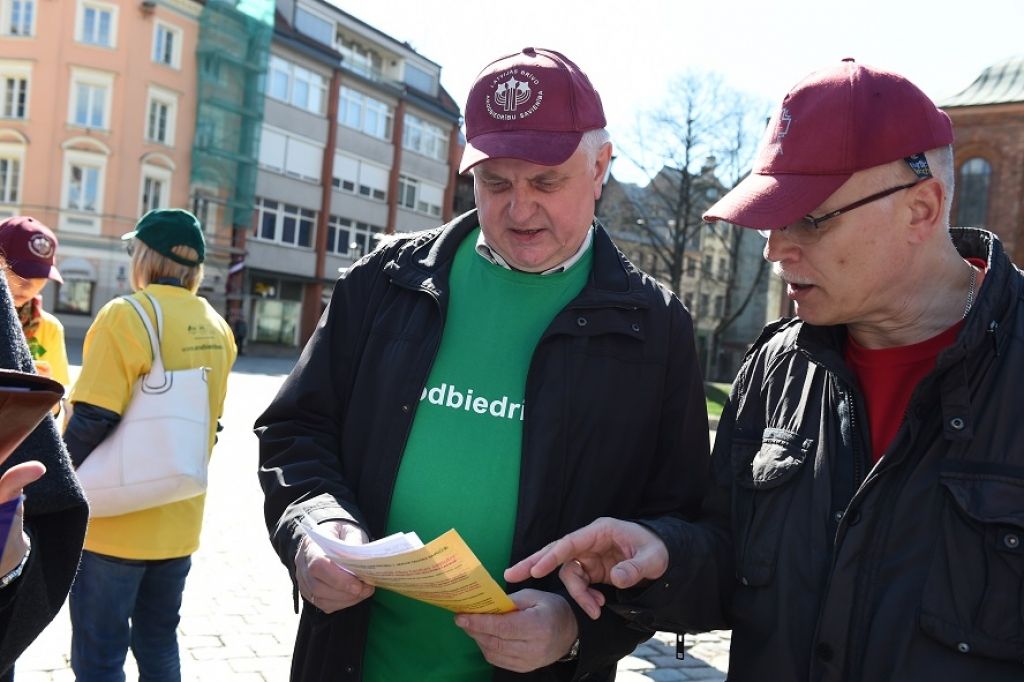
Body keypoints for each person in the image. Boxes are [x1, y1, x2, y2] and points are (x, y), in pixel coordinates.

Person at [507, 59, 1024, 681]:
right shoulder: (778, 365)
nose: (777, 250)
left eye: (810, 217)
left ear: (920, 209)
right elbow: (733, 560)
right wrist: (664, 555)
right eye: (771, 220)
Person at [255, 47, 710, 681]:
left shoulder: (654, 328)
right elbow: (295, 432)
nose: (520, 209)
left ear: (601, 165)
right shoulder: (383, 283)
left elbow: (683, 528)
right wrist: (313, 525)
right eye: (496, 182)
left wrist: (578, 630)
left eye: (546, 181)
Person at [64, 209, 236, 681]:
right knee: (159, 643)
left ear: (144, 255)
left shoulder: (127, 314)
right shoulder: (218, 327)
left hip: (114, 522)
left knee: (99, 657)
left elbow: (94, 416)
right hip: (179, 518)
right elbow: (212, 424)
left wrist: (53, 488)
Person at [0, 267, 88, 680]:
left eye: (42, 278)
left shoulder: (48, 324)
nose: (33, 285)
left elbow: (63, 404)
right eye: (27, 273)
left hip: (129, 515)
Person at [0, 217, 70, 390]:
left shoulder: (49, 328)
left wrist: (47, 393)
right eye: (20, 270)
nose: (29, 283)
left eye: (40, 275)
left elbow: (60, 405)